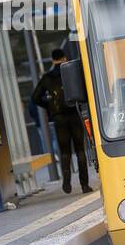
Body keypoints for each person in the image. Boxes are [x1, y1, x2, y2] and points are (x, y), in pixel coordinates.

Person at [31, 48, 91, 194]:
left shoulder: (47, 77)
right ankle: (84, 185)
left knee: (64, 152)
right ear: (64, 58)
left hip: (59, 118)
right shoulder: (71, 74)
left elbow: (35, 97)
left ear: (53, 60)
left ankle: (67, 182)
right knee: (80, 150)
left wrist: (50, 108)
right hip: (74, 114)